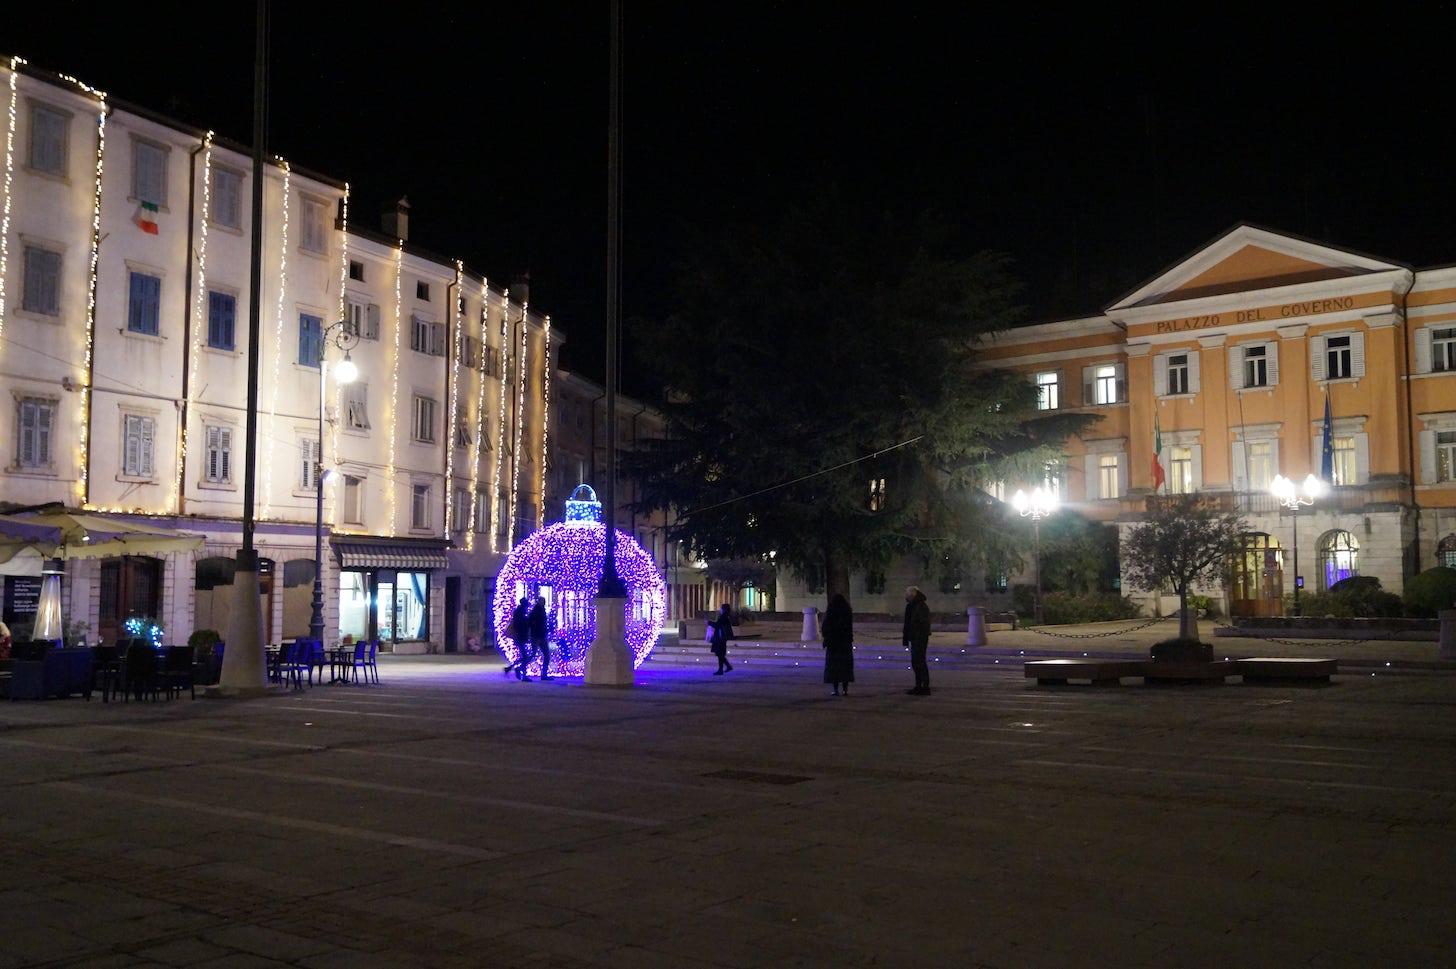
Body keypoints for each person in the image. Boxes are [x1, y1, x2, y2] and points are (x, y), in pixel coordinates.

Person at [821, 593, 854, 696]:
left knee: (834, 668)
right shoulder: (847, 612)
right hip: (844, 644)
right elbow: (849, 628)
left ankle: (836, 690)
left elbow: (825, 627)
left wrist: (826, 637)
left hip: (833, 645)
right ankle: (845, 690)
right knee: (845, 668)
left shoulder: (831, 612)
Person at [903, 585, 931, 695]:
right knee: (916, 662)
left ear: (912, 595)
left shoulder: (920, 606)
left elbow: (923, 623)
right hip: (915, 638)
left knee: (920, 662)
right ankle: (919, 685)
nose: (906, 597)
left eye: (907, 595)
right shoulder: (913, 606)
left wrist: (916, 634)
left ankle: (924, 686)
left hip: (919, 638)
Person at [508, 596, 533, 679]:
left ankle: (512, 668)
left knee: (524, 656)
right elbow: (520, 626)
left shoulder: (519, 612)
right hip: (520, 637)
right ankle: (521, 672)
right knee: (526, 656)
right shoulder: (520, 613)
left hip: (520, 637)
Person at [529, 595, 551, 681]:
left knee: (544, 655)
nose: (544, 603)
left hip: (540, 635)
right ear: (540, 602)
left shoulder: (539, 610)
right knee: (536, 654)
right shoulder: (538, 611)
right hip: (538, 636)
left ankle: (544, 674)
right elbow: (533, 622)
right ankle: (520, 668)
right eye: (543, 601)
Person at [708, 603, 734, 674]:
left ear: (724, 609)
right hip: (722, 637)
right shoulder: (726, 617)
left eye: (721, 608)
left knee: (720, 654)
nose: (720, 610)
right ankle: (726, 667)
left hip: (720, 638)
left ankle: (721, 669)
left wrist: (709, 623)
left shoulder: (723, 617)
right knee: (720, 654)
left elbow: (717, 625)